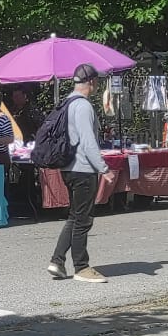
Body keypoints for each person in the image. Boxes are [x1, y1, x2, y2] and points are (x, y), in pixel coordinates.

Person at [46, 64, 110, 284]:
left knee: (75, 217)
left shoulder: (67, 102)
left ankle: (57, 260)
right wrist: (103, 168)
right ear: (91, 82)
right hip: (83, 169)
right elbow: (88, 141)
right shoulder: (82, 106)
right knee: (84, 220)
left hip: (68, 166)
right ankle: (82, 267)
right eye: (97, 82)